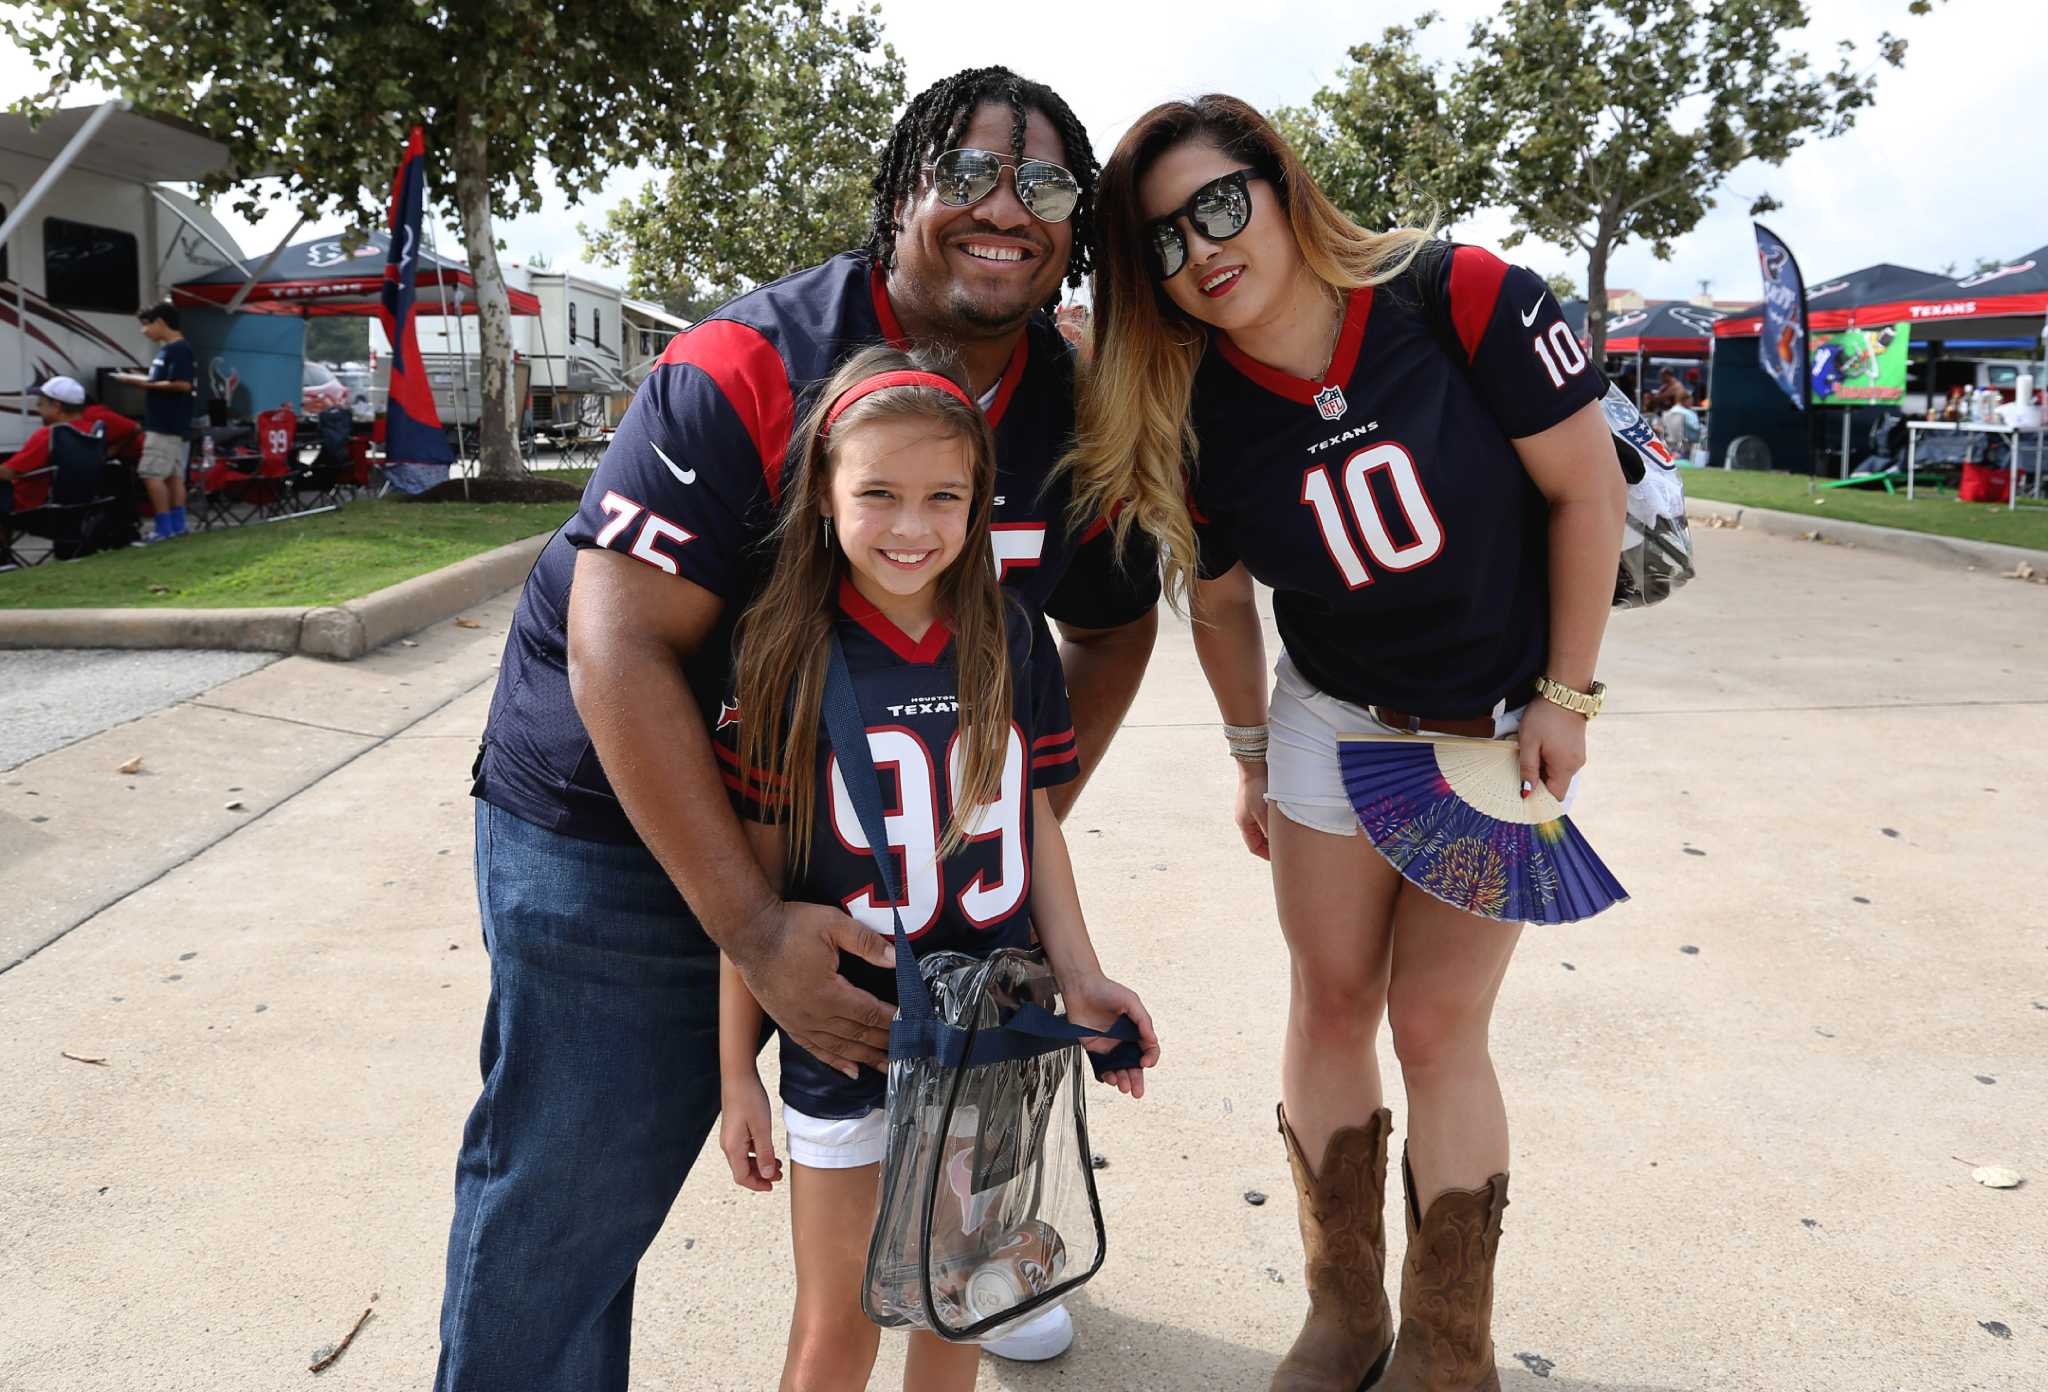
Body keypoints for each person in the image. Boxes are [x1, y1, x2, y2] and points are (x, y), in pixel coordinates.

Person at [440, 68, 1160, 1392]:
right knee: (575, 1191)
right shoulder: (752, 363)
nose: (1007, 208)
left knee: (948, 1208)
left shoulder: (1081, 406)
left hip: (865, 838)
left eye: (1047, 184)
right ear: (900, 192)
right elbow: (620, 642)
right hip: (625, 806)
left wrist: (974, 826)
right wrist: (754, 926)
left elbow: (1113, 628)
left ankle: (972, 1272)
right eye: (969, 173)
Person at [1069, 96, 1625, 1391]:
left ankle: (1447, 1346)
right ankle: (1344, 1313)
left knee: (1437, 1029)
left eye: (1218, 204)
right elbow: (1215, 597)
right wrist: (1251, 746)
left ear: (1277, 183)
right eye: (1161, 241)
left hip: (1490, 729)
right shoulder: (1193, 404)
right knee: (1328, 1002)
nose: (1200, 249)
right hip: (1332, 722)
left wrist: (1570, 696)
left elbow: (1584, 490)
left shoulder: (1462, 295)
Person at [713, 345, 1159, 1392]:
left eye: (941, 497)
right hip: (846, 1034)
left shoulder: (1009, 632)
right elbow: (755, 897)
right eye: (877, 493)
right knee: (838, 1325)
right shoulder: (784, 649)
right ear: (822, 497)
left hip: (988, 1026)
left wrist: (1080, 971)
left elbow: (1033, 821)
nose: (910, 526)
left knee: (958, 1297)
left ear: (977, 503)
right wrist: (735, 1072)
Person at [113, 302, 195, 540]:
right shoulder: (168, 349)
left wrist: (140, 384)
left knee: (150, 474)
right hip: (168, 424)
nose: (143, 331)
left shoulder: (179, 349)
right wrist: (137, 378)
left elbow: (182, 384)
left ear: (160, 322)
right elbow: (164, 379)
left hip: (164, 424)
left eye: (146, 325)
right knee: (172, 475)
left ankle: (163, 528)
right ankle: (177, 525)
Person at [2, 376, 136, 513]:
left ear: (56, 406)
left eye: (40, 403)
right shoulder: (93, 432)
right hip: (84, 503)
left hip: (35, 505)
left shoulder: (50, 434)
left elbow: (8, 472)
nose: (38, 409)